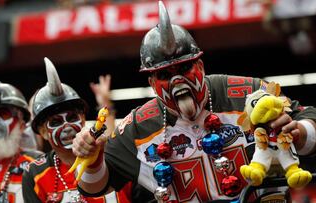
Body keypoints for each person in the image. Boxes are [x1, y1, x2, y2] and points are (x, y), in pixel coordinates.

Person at [71, 1, 316, 202]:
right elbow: (95, 188)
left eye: (185, 68)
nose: (177, 80)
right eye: (164, 75)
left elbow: (309, 117)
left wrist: (299, 132)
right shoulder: (137, 127)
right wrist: (92, 160)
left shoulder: (246, 93)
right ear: (151, 83)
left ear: (200, 65)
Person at [21, 57, 133, 202]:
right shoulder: (35, 174)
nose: (67, 127)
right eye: (56, 122)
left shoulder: (114, 157)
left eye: (72, 117)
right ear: (43, 132)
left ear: (83, 119)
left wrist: (106, 105)